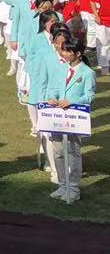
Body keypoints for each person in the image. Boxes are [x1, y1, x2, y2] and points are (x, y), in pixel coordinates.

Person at [44, 38, 95, 204]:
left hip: (74, 118)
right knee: (58, 151)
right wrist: (51, 98)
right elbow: (53, 88)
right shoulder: (61, 69)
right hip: (57, 116)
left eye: (67, 51)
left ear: (77, 53)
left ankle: (73, 187)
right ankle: (62, 183)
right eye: (63, 50)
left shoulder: (87, 73)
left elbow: (89, 95)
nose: (63, 53)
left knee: (73, 151)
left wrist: (73, 102)